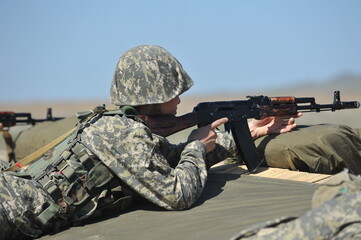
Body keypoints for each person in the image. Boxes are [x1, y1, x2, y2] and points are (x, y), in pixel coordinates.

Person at [0, 45, 360, 240]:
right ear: (154, 94)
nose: (179, 101)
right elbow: (177, 194)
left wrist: (249, 133)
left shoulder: (123, 129)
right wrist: (195, 145)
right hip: (11, 211)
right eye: (173, 93)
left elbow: (164, 158)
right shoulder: (120, 133)